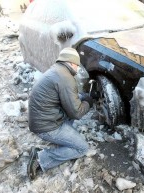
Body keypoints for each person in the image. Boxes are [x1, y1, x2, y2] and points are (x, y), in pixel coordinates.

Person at [27, 47, 93, 180]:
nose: (77, 68)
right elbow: (77, 113)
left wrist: (83, 96)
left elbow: (69, 97)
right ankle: (40, 158)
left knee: (76, 100)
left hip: (43, 119)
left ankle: (65, 138)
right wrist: (89, 102)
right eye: (77, 65)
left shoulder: (56, 71)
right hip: (47, 127)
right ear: (72, 63)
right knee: (82, 148)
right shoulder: (65, 77)